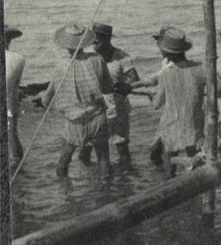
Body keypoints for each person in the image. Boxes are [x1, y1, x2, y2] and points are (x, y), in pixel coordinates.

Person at [46, 25, 111, 178]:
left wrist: (46, 102)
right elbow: (107, 88)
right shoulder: (96, 59)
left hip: (74, 120)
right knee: (103, 156)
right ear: (85, 43)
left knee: (64, 159)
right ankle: (107, 189)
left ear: (66, 45)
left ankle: (65, 191)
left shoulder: (60, 66)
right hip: (97, 116)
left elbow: (47, 98)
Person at [146, 28, 210, 176]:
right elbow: (219, 88)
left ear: (168, 53)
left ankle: (171, 188)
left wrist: (150, 94)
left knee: (170, 167)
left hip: (171, 126)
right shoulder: (200, 68)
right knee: (197, 162)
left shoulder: (166, 73)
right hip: (194, 124)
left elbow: (157, 104)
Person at [87, 23, 146, 165]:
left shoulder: (121, 57)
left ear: (108, 39)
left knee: (121, 146)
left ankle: (125, 176)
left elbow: (134, 79)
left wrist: (120, 86)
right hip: (94, 110)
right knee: (88, 147)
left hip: (117, 108)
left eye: (98, 39)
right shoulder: (90, 56)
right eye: (93, 39)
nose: (94, 42)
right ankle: (95, 176)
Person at [6, 26, 25, 163]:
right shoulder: (19, 58)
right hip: (10, 103)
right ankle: (18, 167)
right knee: (12, 135)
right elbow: (15, 86)